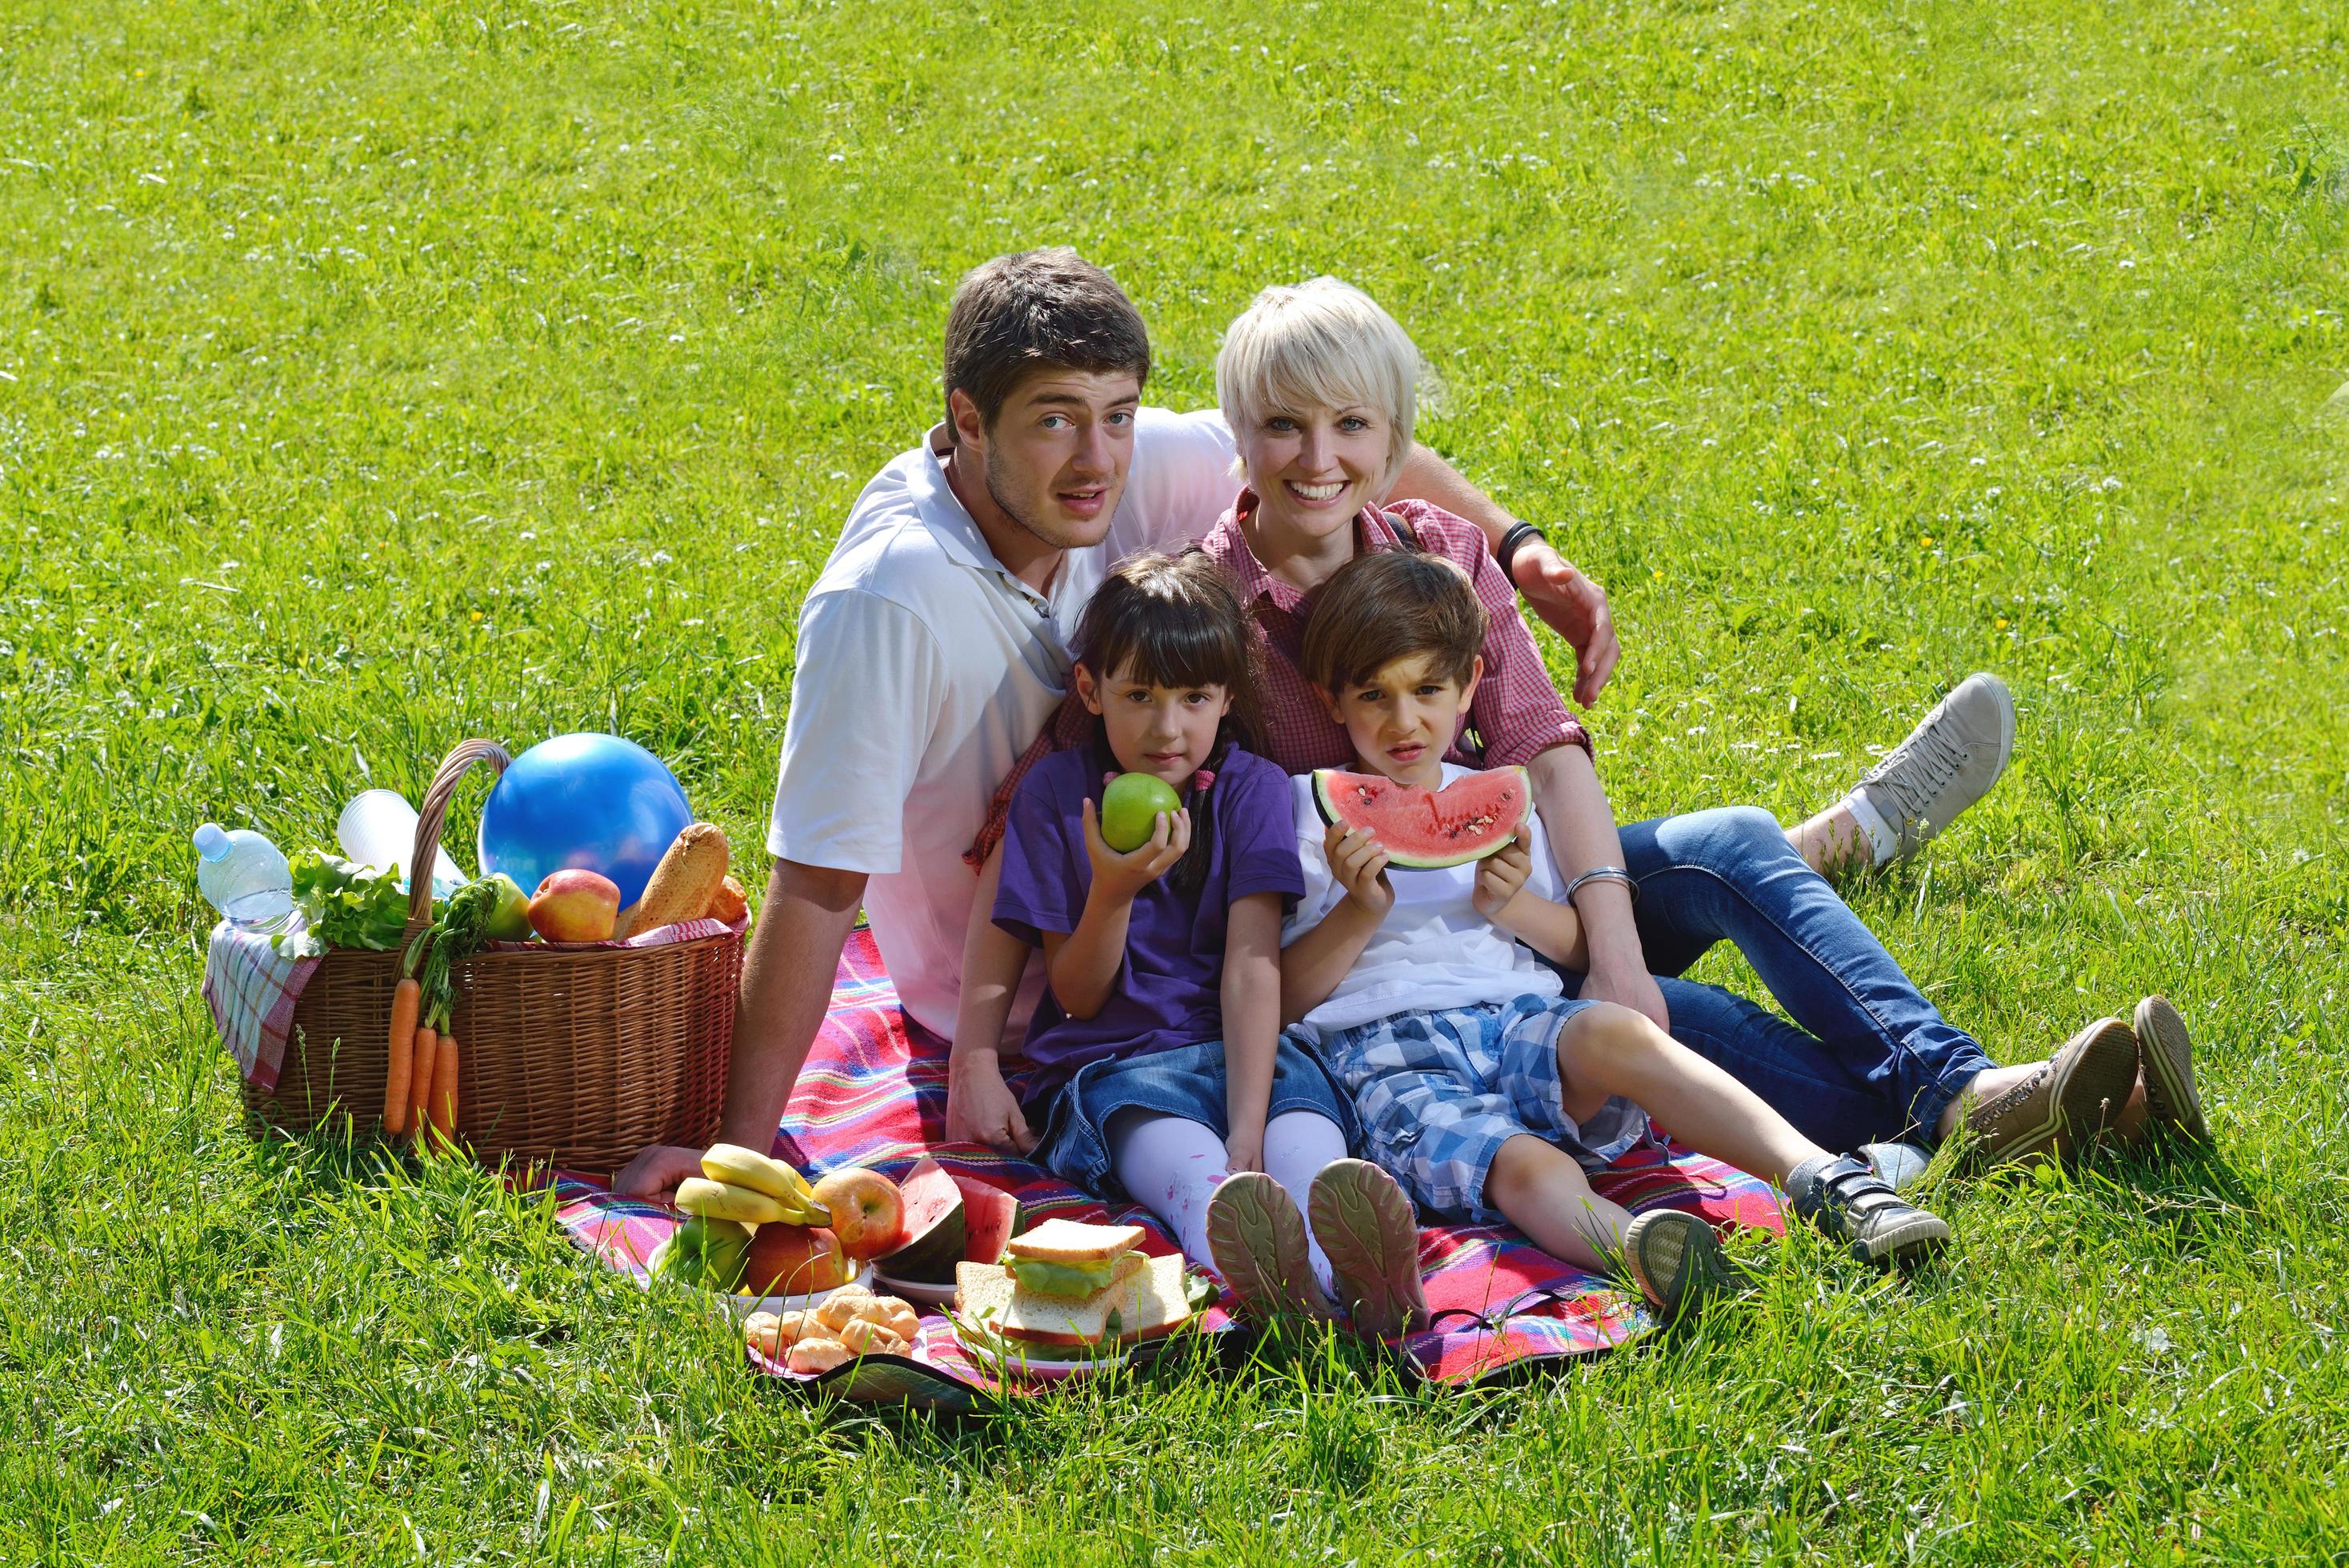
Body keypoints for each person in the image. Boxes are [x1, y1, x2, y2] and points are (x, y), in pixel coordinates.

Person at [950, 276, 2150, 1180]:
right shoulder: (1211, 607)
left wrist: (1612, 952)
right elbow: (1114, 730)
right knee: (1687, 1028)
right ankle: (1997, 1122)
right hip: (1384, 958)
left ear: (1393, 433)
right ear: (1236, 436)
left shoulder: (1443, 552)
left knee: (1727, 845)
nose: (1320, 462)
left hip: (1506, 887)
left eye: (1354, 428)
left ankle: (1966, 1087)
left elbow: (1544, 750)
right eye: (1282, 429)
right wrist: (983, 1035)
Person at [614, 248, 1623, 1195]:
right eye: (1053, 420)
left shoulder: (1123, 463)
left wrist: (1519, 547)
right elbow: (820, 884)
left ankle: (1770, 919)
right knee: (1662, 969)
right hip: (1046, 1009)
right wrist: (736, 1150)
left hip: (1239, 944)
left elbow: (1344, 439)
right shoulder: (888, 600)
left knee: (1693, 883)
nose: (1097, 461)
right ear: (968, 420)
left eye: (1117, 416)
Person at [1261, 549, 1955, 1321]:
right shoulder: (1299, 812)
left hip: (1515, 1015)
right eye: (1373, 696)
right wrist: (1359, 909)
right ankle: (1650, 1256)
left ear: (1467, 688)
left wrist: (1514, 905)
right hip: (1384, 1052)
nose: (1403, 720)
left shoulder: (1500, 799)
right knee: (1522, 1167)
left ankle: (1827, 1181)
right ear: (1331, 701)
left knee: (1623, 1035)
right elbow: (1282, 997)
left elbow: (1574, 949)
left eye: (1427, 689)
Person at [987, 550, 1423, 1333]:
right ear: (1089, 690)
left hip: (1248, 1051)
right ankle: (1264, 1284)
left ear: (1226, 698)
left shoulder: (1252, 788)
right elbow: (1079, 996)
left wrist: (1249, 1121)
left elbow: (1251, 966)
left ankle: (1360, 1280)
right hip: (1117, 1069)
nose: (1167, 726)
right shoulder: (1055, 797)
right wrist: (1112, 890)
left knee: (1307, 1160)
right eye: (1139, 696)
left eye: (1194, 697)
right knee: (1201, 1179)